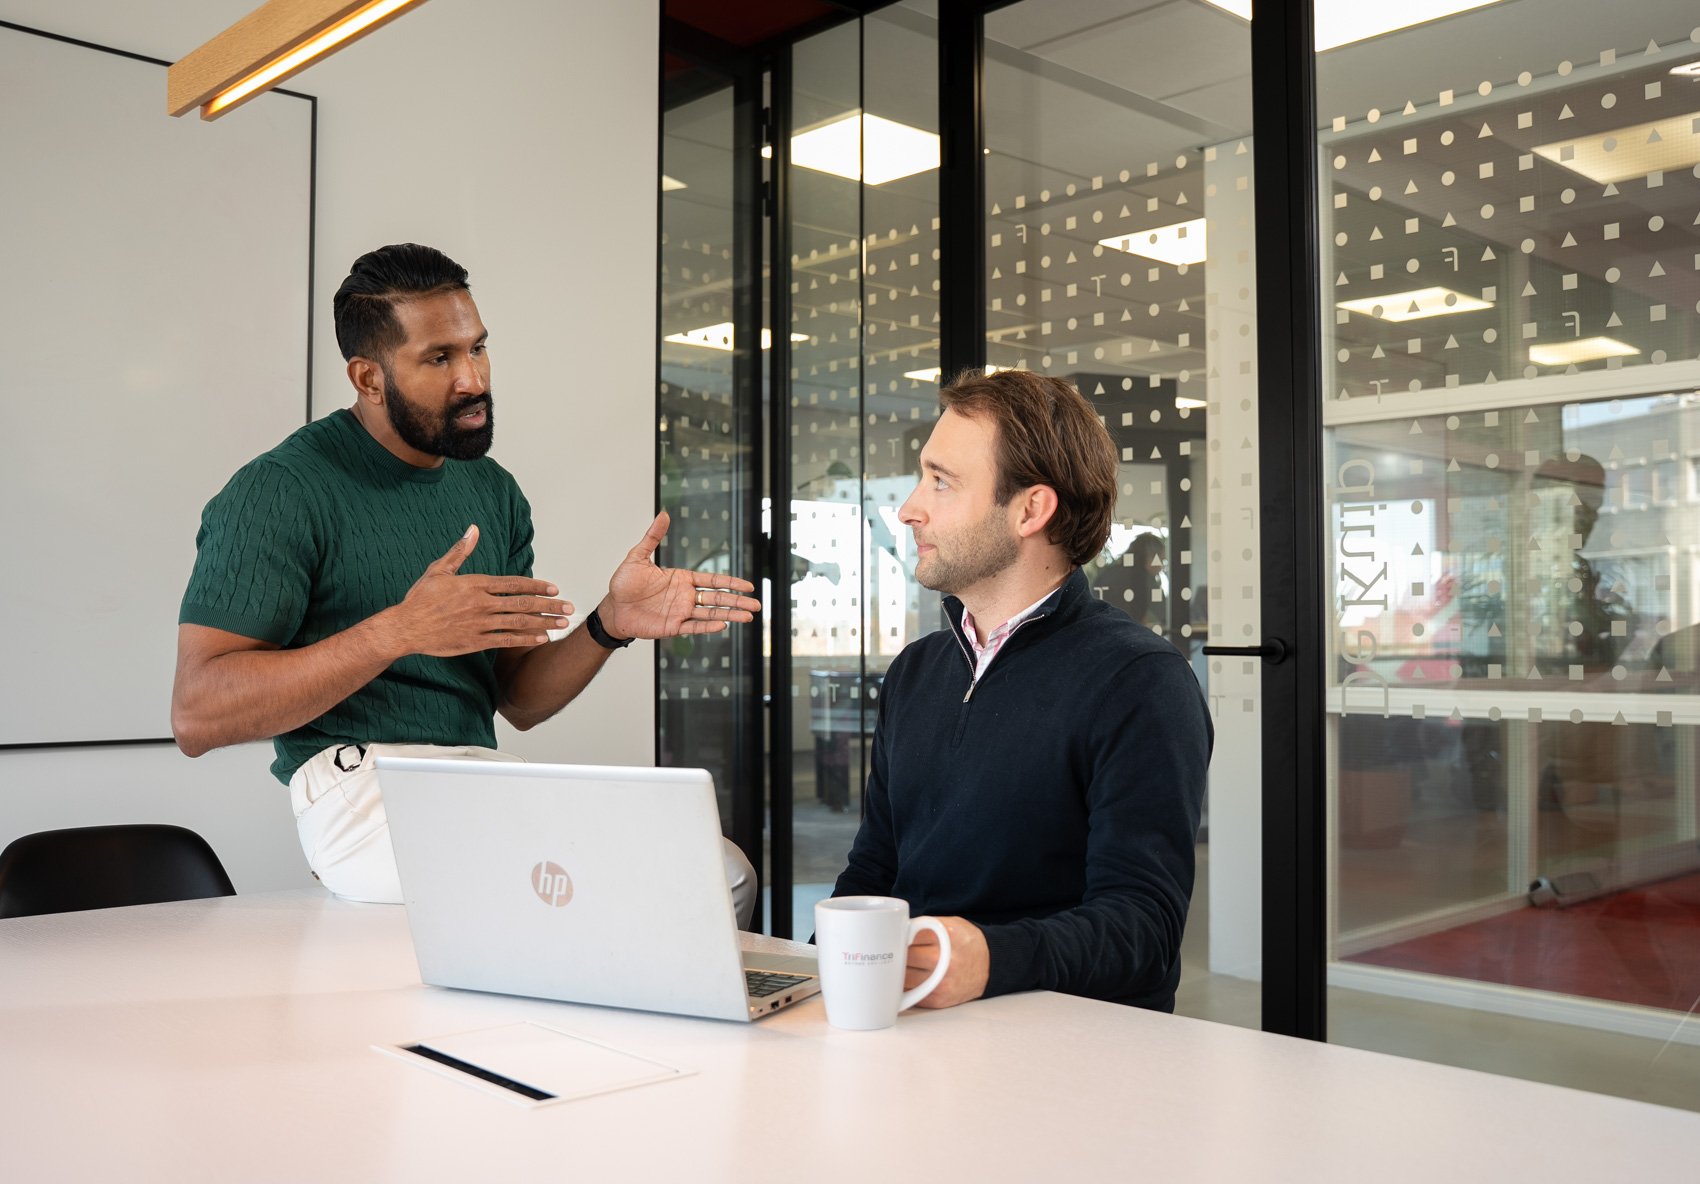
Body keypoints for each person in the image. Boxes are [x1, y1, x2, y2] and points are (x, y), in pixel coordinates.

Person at [171, 243, 762, 919]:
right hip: (357, 785)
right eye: (439, 358)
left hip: (475, 772)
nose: (473, 379)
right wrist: (399, 631)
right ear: (368, 378)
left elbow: (518, 699)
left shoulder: (493, 490)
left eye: (477, 349)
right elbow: (197, 714)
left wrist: (608, 625)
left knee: (720, 872)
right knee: (558, 897)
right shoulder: (280, 490)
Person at [830, 368, 1212, 1011]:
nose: (909, 508)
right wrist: (818, 975)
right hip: (911, 1024)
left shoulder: (1140, 681)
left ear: (1030, 509)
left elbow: (1144, 929)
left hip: (1063, 1048)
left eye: (941, 481)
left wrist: (990, 960)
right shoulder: (917, 671)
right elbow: (875, 867)